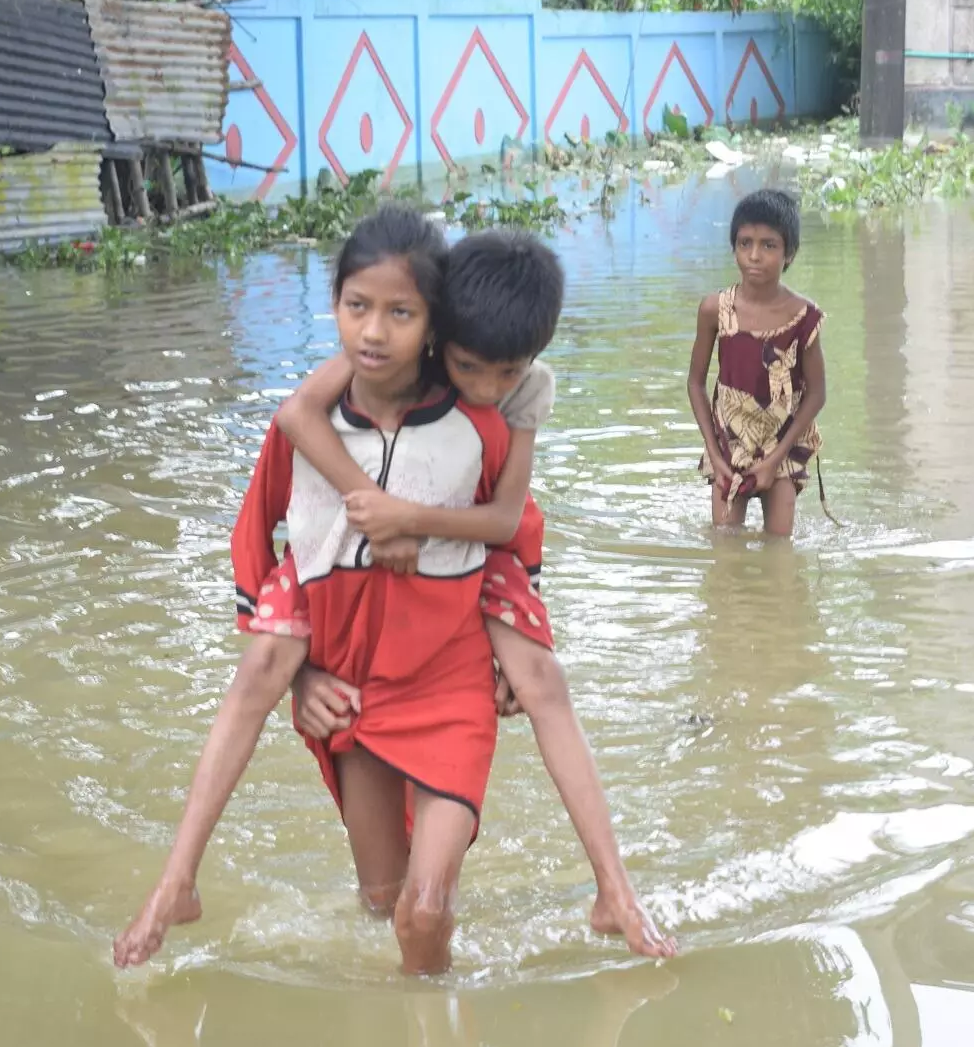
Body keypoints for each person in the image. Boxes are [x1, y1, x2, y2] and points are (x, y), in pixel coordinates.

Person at [114, 205, 512, 975]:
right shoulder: (303, 423)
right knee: (378, 903)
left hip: (438, 667)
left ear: (434, 324)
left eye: (400, 313)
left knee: (422, 913)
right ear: (333, 303)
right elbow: (252, 538)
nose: (372, 331)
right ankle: (176, 879)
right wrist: (301, 672)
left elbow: (511, 533)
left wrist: (509, 652)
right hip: (347, 677)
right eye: (356, 306)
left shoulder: (471, 422)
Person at [275, 228, 674, 960]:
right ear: (439, 337)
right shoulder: (389, 355)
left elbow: (505, 519)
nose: (487, 388)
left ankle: (614, 887)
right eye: (469, 368)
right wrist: (302, 665)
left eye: (506, 372)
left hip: (485, 555)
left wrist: (411, 522)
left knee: (543, 682)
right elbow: (296, 419)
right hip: (379, 615)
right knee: (381, 903)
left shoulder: (522, 392)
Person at [686, 188, 829, 537]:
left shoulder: (803, 317)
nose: (754, 256)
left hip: (781, 443)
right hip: (728, 443)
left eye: (769, 245)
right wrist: (715, 454)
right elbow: (695, 383)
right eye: (745, 243)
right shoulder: (714, 310)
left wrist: (776, 460)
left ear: (789, 253)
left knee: (780, 547)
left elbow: (817, 394)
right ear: (733, 247)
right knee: (725, 543)